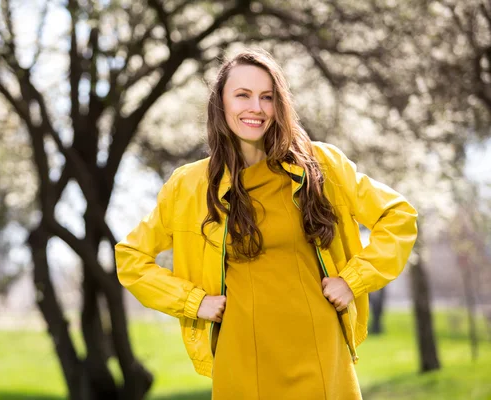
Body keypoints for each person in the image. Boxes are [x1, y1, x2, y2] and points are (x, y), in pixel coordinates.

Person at [115, 48, 418, 399]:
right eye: (242, 95)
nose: (255, 108)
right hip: (240, 356)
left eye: (267, 97)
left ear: (280, 105)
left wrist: (353, 281)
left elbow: (399, 216)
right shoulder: (189, 185)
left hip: (319, 349)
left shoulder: (322, 166)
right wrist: (194, 302)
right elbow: (131, 258)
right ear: (221, 104)